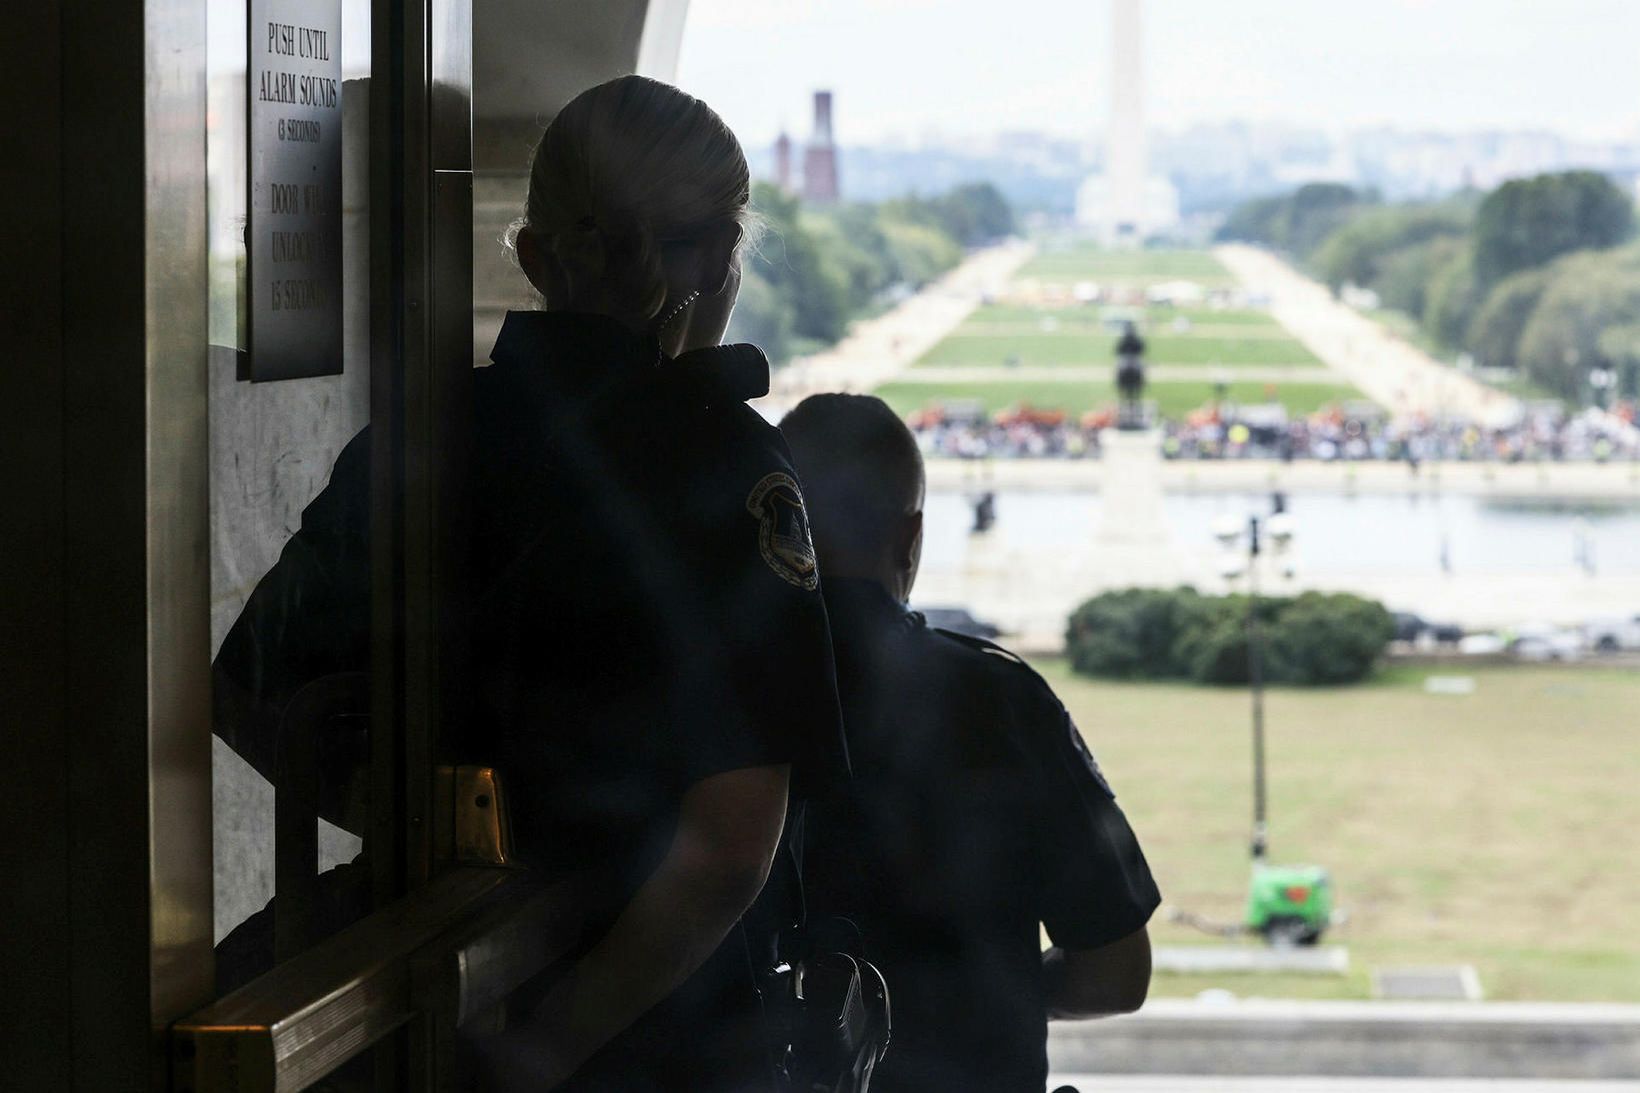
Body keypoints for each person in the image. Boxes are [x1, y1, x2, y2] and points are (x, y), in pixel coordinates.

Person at [215, 75, 849, 1091]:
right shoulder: (730, 471)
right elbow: (731, 841)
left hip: (417, 981)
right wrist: (542, 1050)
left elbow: (247, 684)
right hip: (653, 1030)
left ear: (532, 253)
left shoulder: (420, 437)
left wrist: (430, 824)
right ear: (727, 254)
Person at [781, 393, 1159, 1093]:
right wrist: (984, 997)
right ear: (911, 537)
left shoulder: (707, 690)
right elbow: (1114, 970)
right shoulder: (1004, 701)